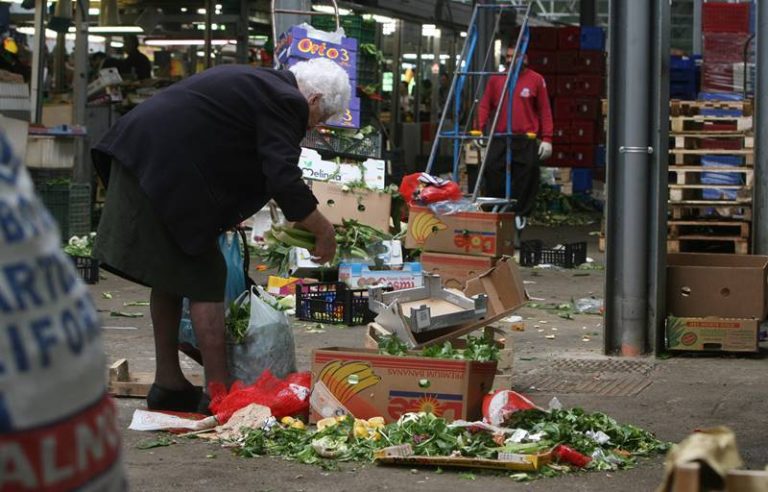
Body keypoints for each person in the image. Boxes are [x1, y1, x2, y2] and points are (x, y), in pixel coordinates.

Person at [91, 57, 350, 413]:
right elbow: (282, 176)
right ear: (315, 100)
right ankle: (220, 394)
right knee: (206, 278)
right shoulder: (288, 101)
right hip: (160, 166)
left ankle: (168, 383)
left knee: (170, 273)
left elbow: (220, 141)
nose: (311, 128)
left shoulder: (260, 82)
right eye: (318, 120)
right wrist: (323, 230)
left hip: (144, 156)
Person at [477, 44, 553, 224]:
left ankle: (520, 215)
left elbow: (544, 110)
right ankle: (495, 211)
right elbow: (485, 105)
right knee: (491, 170)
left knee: (528, 173)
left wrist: (548, 138)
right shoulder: (497, 80)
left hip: (525, 138)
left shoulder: (536, 80)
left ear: (525, 58)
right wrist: (479, 130)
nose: (511, 60)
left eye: (516, 56)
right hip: (500, 136)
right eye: (508, 56)